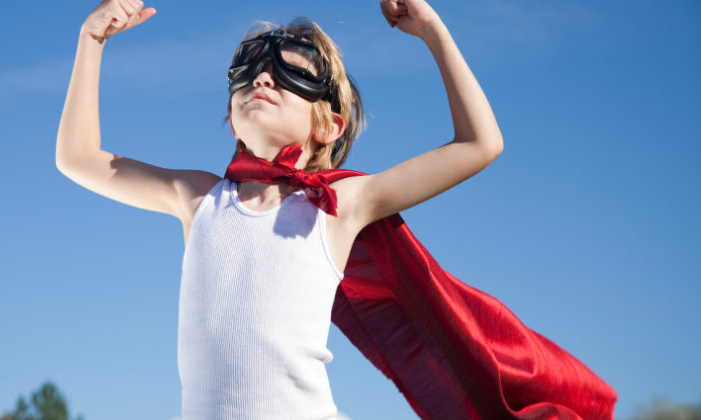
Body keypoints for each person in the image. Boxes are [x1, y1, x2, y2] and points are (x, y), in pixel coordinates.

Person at [56, 1, 617, 419]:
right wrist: (91, 41)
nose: (263, 77)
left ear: (328, 125)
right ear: (231, 117)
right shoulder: (200, 199)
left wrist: (432, 30)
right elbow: (77, 159)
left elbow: (480, 144)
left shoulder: (340, 204)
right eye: (249, 71)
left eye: (291, 72)